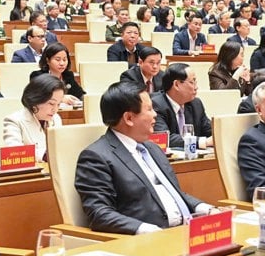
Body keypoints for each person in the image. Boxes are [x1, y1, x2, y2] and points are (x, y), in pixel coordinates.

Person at [74, 82, 213, 234]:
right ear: (128, 118)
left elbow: (174, 193)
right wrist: (146, 230)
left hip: (186, 231)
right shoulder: (96, 157)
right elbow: (100, 214)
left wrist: (206, 209)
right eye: (149, 109)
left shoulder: (153, 148)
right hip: (147, 240)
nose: (155, 114)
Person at [2, 74, 65, 162]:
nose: (55, 109)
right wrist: (43, 155)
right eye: (51, 103)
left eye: (59, 104)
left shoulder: (56, 118)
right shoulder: (14, 120)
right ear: (36, 99)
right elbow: (13, 153)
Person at [152, 63, 213, 149]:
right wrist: (203, 142)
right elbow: (163, 137)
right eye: (192, 82)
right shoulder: (156, 104)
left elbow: (209, 130)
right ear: (176, 84)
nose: (196, 87)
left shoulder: (196, 104)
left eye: (195, 82)